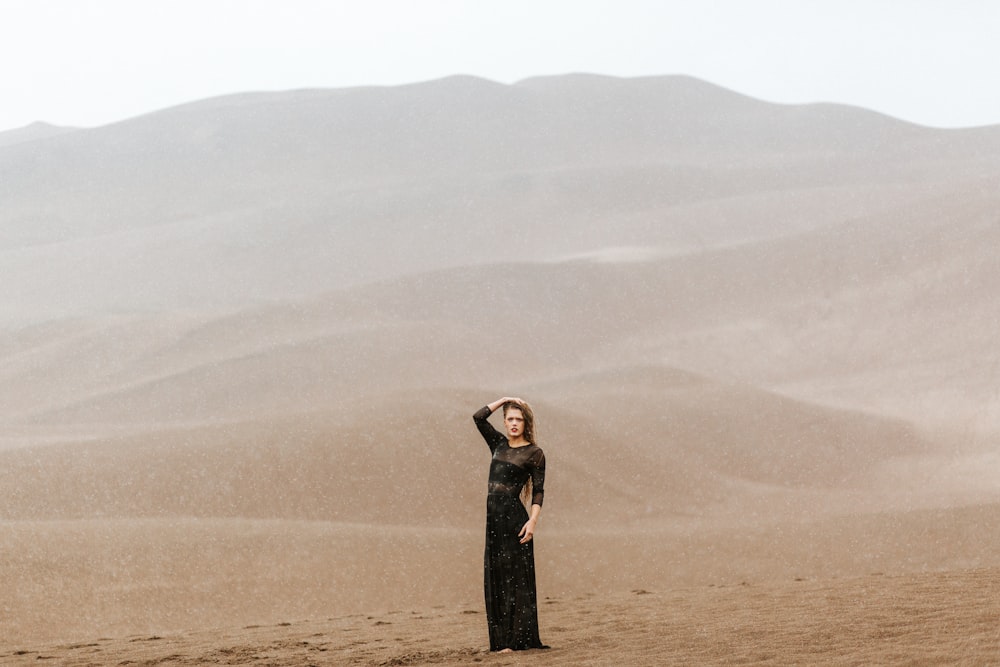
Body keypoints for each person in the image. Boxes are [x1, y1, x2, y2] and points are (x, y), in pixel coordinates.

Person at [473, 396, 548, 653]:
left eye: (519, 419)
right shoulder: (498, 444)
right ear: (504, 422)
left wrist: (533, 522)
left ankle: (517, 641)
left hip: (515, 519)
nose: (514, 423)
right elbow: (478, 417)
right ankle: (502, 642)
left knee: (516, 580)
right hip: (493, 521)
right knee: (496, 578)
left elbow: (538, 492)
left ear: (526, 423)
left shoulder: (534, 453)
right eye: (510, 419)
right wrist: (505, 400)